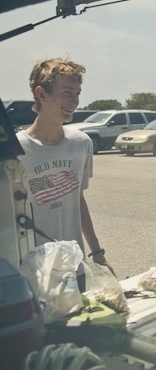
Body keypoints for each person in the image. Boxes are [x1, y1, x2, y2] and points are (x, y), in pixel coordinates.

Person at [16, 57, 114, 291]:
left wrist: (97, 253)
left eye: (78, 93)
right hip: (32, 271)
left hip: (74, 266)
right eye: (68, 92)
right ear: (42, 94)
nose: (75, 101)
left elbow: (77, 198)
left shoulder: (81, 144)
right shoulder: (16, 151)